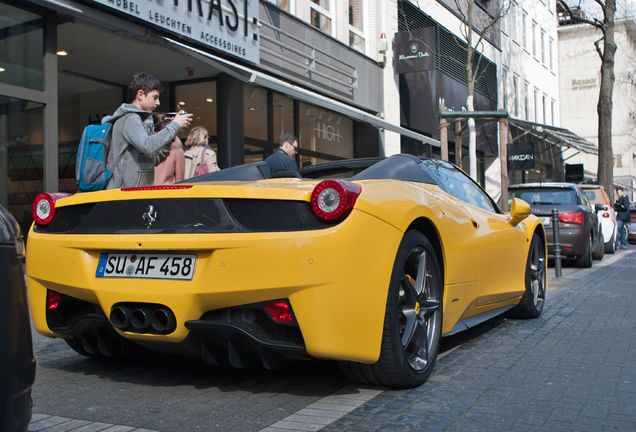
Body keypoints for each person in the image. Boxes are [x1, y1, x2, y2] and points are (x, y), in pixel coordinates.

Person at [102, 72, 191, 189]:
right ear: (140, 94)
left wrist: (171, 136)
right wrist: (174, 125)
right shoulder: (130, 119)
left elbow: (153, 159)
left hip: (136, 192)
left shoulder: (141, 120)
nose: (158, 103)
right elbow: (147, 145)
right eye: (155, 97)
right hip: (123, 194)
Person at [153, 114, 185, 185]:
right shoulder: (175, 141)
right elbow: (179, 171)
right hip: (167, 189)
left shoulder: (148, 140)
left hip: (147, 189)